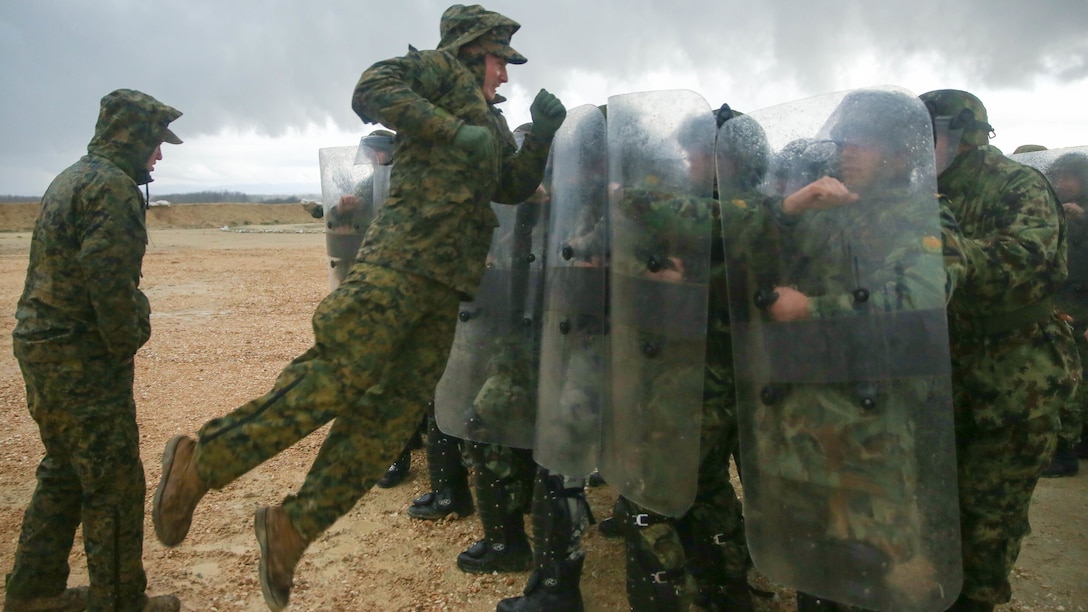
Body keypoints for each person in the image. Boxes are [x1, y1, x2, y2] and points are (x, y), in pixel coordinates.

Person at [150, 5, 564, 610]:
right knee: (335, 379)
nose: (505, 75)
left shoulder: (492, 122)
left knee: (390, 418)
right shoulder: (437, 72)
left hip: (445, 285)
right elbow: (370, 87)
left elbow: (510, 185)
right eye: (501, 60)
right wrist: (449, 130)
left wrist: (543, 132)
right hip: (396, 267)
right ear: (475, 49)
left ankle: (293, 527)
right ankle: (202, 460)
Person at [5, 88, 183, 612]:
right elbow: (109, 284)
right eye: (155, 142)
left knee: (63, 467)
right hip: (78, 356)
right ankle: (121, 601)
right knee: (114, 483)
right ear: (131, 136)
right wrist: (134, 327)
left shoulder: (73, 177)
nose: (159, 154)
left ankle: (34, 591)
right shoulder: (111, 187)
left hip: (42, 346)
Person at [920, 89, 1080, 612]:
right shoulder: (919, 187)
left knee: (986, 528)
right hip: (942, 379)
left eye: (929, 134)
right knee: (935, 521)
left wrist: (937, 255)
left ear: (962, 135)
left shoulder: (1017, 183)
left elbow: (1024, 258)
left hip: (1015, 386)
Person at [1042, 150, 1088, 475]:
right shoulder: (1047, 207)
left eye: (1069, 177)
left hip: (1081, 310)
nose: (1063, 184)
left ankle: (1067, 451)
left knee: (1075, 381)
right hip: (1059, 307)